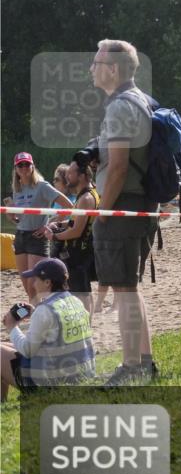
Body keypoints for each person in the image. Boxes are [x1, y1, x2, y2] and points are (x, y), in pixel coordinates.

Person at [88, 39, 162, 385]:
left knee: (123, 288)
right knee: (129, 287)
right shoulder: (143, 100)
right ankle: (144, 363)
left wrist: (103, 210)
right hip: (143, 204)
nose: (92, 68)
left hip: (123, 204)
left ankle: (132, 366)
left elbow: (117, 168)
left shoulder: (119, 106)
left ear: (113, 70)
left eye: (97, 62)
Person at [1, 258, 95, 401]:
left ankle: (3, 402)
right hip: (81, 375)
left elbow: (27, 350)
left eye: (36, 279)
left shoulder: (45, 310)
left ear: (47, 282)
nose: (33, 284)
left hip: (54, 384)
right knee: (6, 346)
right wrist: (35, 312)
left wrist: (12, 327)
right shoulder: (75, 301)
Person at [41, 151, 101, 318]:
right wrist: (59, 224)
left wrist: (54, 236)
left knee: (82, 293)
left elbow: (77, 230)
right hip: (79, 252)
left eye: (71, 173)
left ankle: (86, 328)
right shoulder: (86, 195)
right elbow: (75, 221)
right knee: (79, 291)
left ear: (81, 176)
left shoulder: (86, 198)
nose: (67, 176)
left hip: (79, 253)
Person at [9, 152, 73, 303]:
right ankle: (35, 313)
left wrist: (50, 225)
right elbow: (19, 219)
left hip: (38, 237)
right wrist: (12, 217)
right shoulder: (16, 189)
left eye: (27, 164)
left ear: (33, 166)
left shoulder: (42, 186)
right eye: (20, 165)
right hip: (20, 236)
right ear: (16, 169)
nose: (24, 167)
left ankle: (42, 313)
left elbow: (68, 206)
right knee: (26, 283)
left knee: (35, 283)